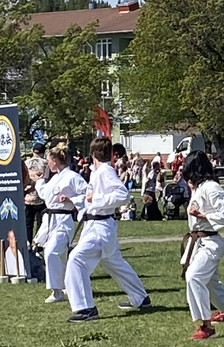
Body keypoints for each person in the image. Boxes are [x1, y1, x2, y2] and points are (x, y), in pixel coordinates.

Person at [64, 137, 150, 322]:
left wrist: (96, 198)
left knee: (76, 260)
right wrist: (80, 200)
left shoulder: (105, 170)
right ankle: (141, 297)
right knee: (114, 263)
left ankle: (85, 308)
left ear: (92, 154)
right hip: (98, 225)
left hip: (100, 228)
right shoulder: (98, 171)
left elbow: (122, 195)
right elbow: (91, 199)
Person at [181, 152, 224, 340]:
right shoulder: (199, 187)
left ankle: (206, 326)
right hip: (200, 241)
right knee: (211, 282)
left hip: (210, 242)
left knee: (194, 277)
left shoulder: (212, 188)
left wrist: (203, 216)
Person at [35, 145, 85, 305]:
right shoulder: (55, 178)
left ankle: (56, 291)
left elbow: (88, 194)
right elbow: (44, 195)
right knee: (59, 255)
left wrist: (72, 200)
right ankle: (66, 286)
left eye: (49, 160)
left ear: (55, 161)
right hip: (50, 220)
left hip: (64, 220)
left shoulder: (72, 177)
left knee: (51, 252)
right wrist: (40, 180)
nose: (48, 163)